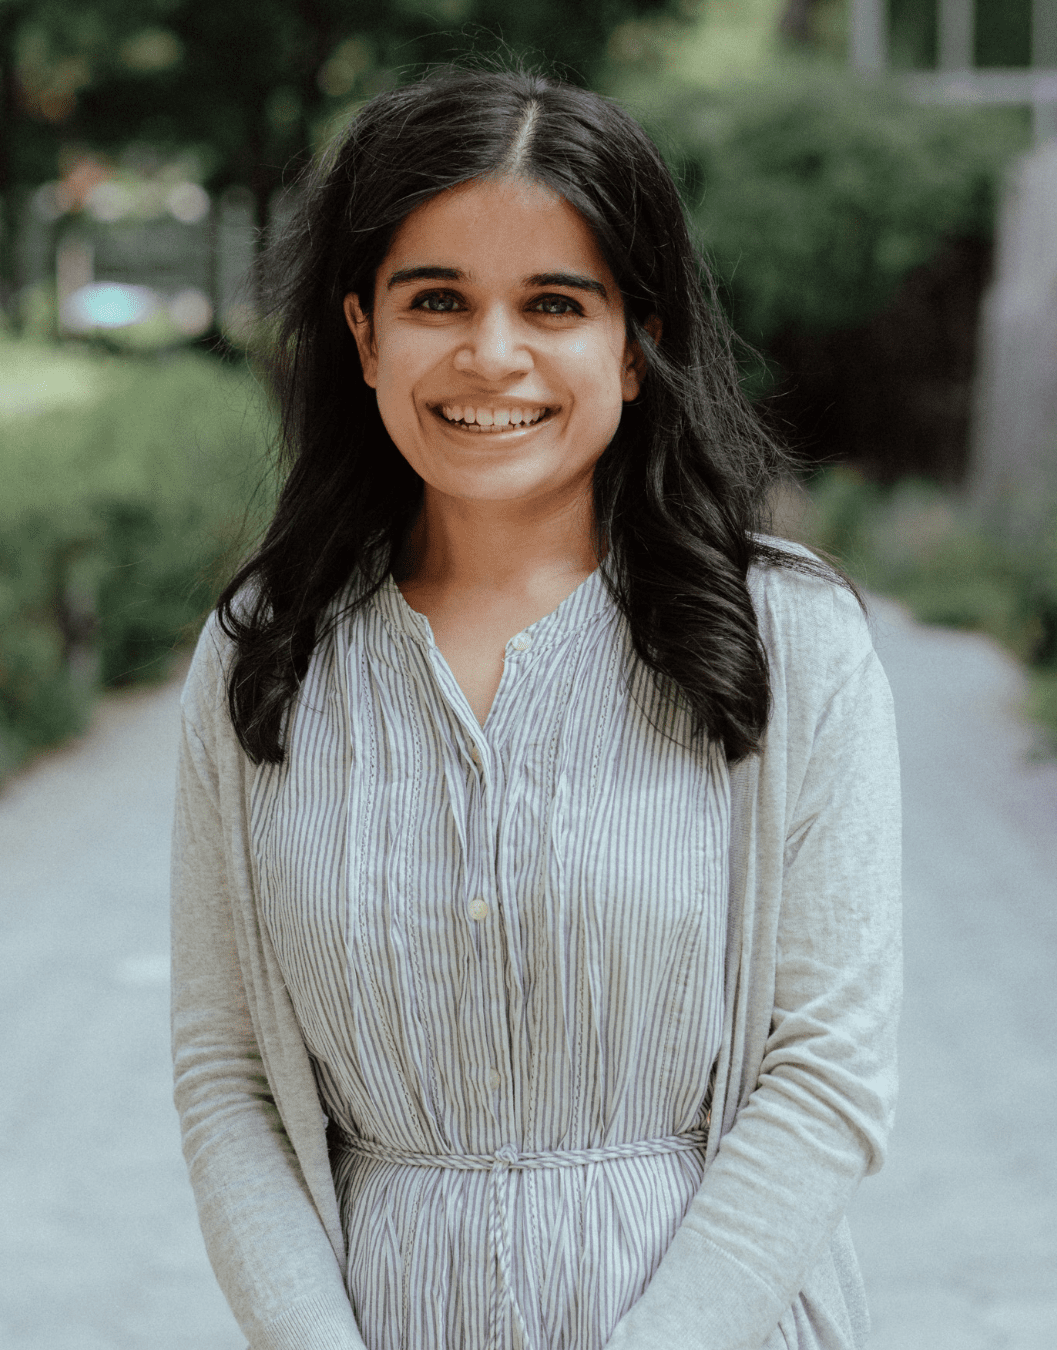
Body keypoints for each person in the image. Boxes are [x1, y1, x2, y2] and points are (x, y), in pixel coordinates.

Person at [171, 66, 902, 1350]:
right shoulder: (260, 656)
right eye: (436, 299)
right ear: (362, 335)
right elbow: (226, 1078)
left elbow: (827, 1075)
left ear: (639, 341)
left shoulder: (792, 644)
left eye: (554, 303)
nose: (490, 353)